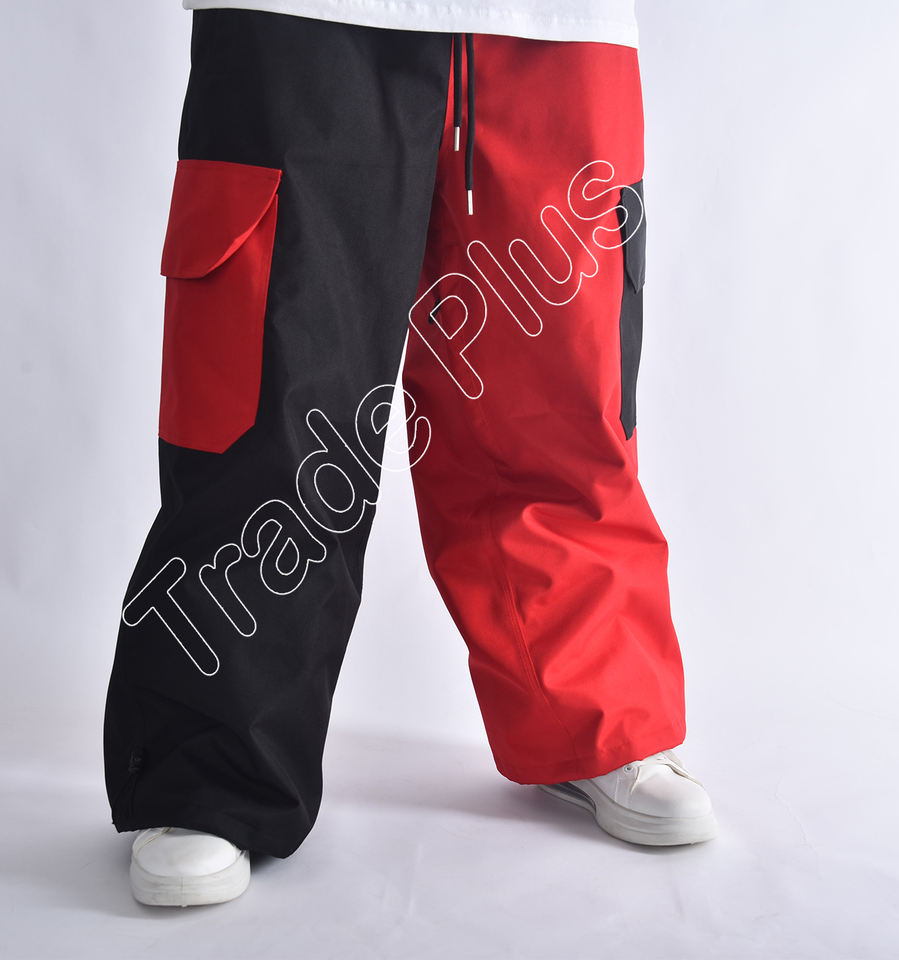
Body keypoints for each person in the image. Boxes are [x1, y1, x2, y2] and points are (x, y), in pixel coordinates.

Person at [103, 0, 719, 908]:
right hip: (298, 16)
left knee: (563, 407)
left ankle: (594, 721)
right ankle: (211, 769)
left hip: (560, 25)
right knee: (270, 400)